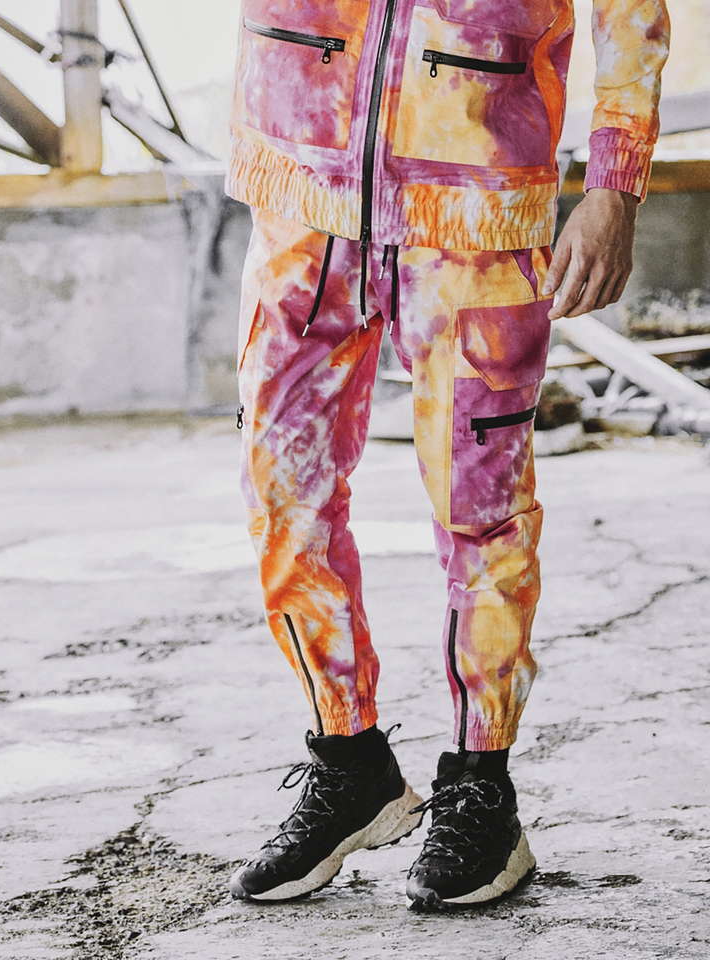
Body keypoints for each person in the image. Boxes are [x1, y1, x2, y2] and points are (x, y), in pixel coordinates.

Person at [224, 0, 669, 909]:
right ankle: (349, 761)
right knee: (281, 494)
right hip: (301, 190)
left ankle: (481, 786)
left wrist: (615, 182)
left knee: (482, 515)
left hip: (476, 204)